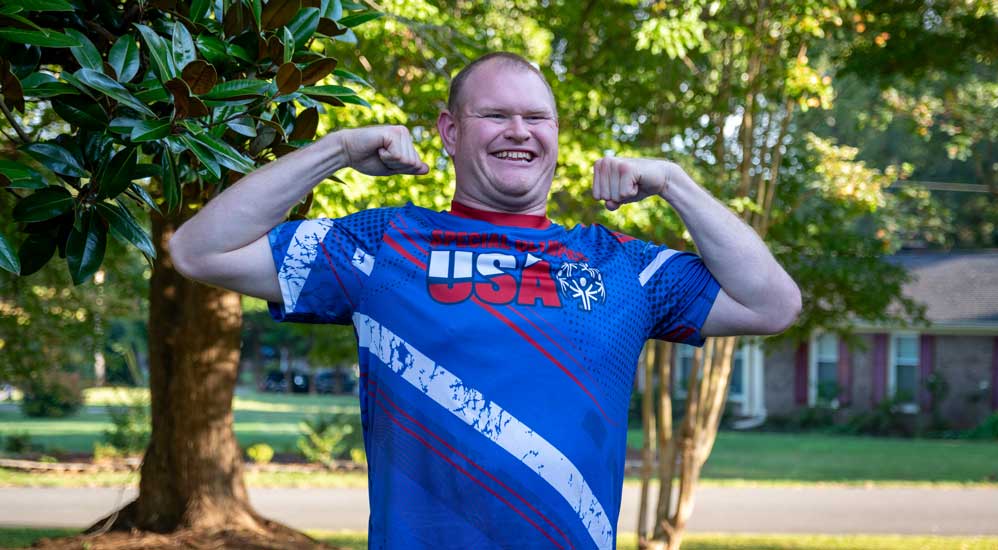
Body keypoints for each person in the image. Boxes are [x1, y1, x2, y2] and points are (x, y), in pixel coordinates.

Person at [170, 52, 800, 550]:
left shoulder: (621, 263)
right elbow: (200, 251)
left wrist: (676, 184)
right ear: (449, 131)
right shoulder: (381, 244)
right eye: (494, 116)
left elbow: (771, 304)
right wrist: (335, 151)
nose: (519, 132)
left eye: (537, 118)